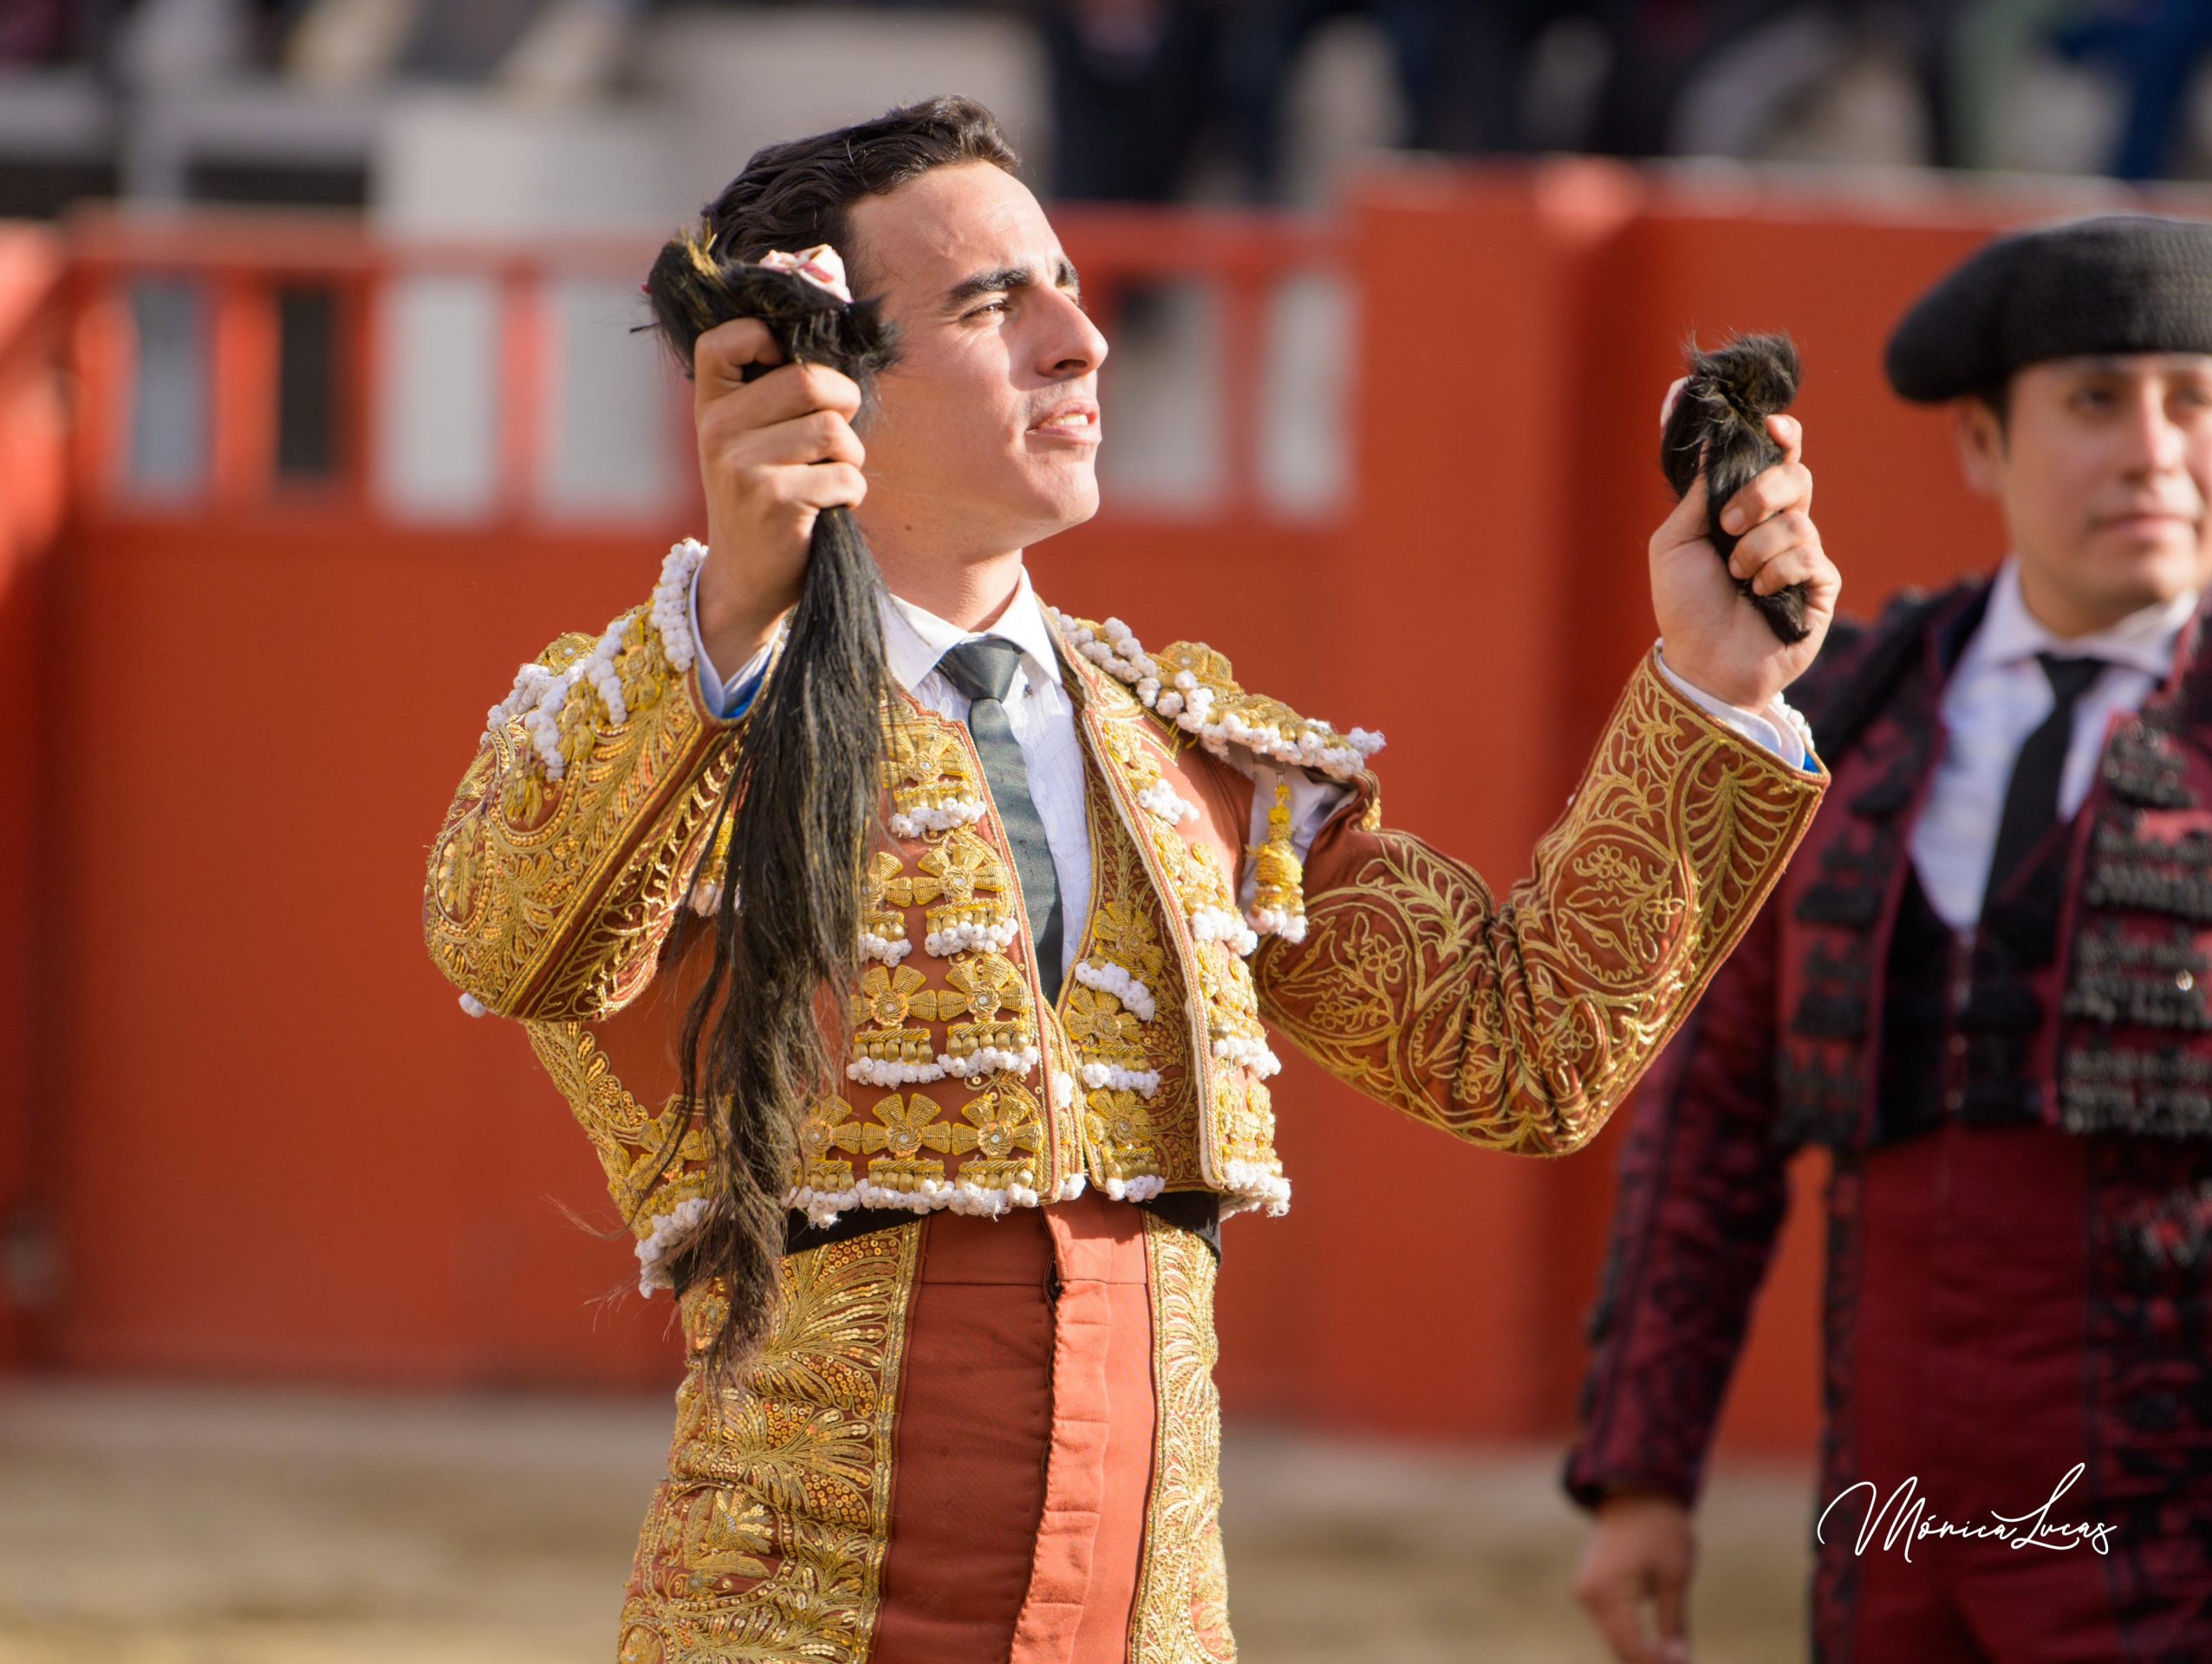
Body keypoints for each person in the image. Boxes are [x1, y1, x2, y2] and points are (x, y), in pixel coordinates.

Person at [424, 95, 1833, 1664]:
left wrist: (1714, 689)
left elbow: (1524, 1050)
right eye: (991, 305)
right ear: (816, 376)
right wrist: (732, 616)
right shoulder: (687, 715)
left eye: (1069, 285)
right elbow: (510, 942)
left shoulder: (1194, 768)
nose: (1081, 341)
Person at [1565, 213, 2212, 1664]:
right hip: (1893, 1517)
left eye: (2193, 401)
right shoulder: (1853, 708)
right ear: (1983, 441)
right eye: (2096, 400)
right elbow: (1717, 1108)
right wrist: (1642, 1469)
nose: (2154, 452)